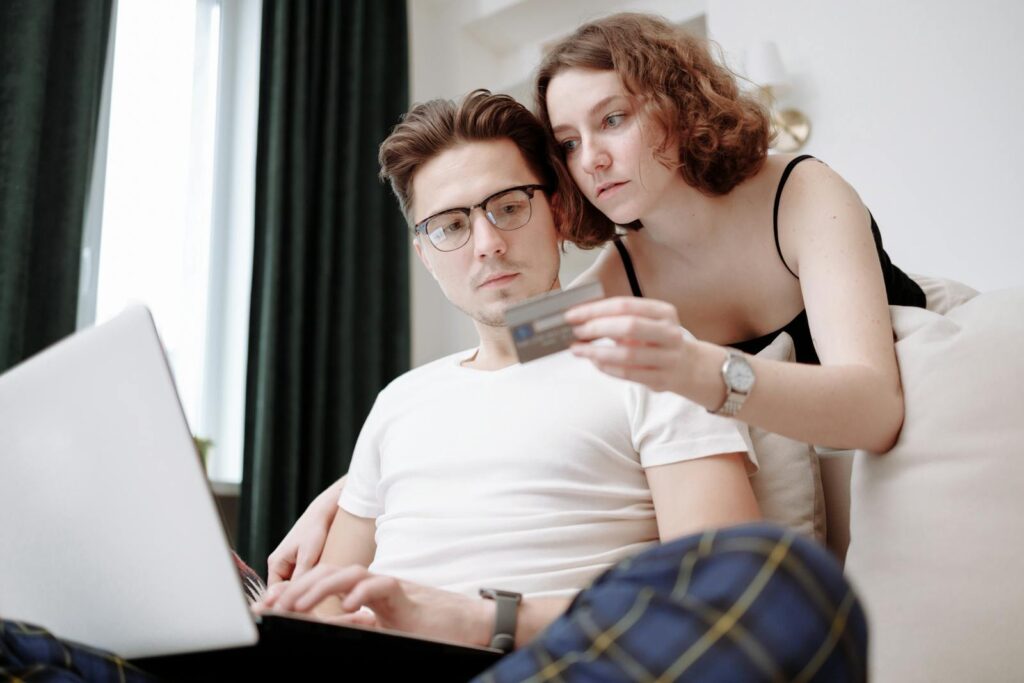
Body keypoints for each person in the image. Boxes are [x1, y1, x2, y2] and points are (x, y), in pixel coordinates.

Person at [255, 89, 866, 682]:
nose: (488, 245)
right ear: (423, 251)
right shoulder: (400, 401)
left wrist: (479, 619)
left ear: (557, 211)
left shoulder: (654, 360)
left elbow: (729, 594)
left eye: (510, 207)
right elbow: (324, 605)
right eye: (449, 226)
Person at [537, 13, 926, 455]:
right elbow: (512, 346)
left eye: (612, 119)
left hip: (939, 433)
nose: (591, 160)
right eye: (569, 143)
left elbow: (876, 415)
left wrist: (703, 371)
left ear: (678, 103)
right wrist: (525, 222)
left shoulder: (803, 194)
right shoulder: (616, 276)